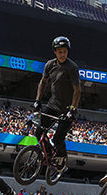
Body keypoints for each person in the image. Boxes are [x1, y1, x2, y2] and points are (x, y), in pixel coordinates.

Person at [31, 36, 81, 169]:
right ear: (54, 52)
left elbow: (77, 90)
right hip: (53, 105)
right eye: (60, 52)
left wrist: (72, 109)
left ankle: (62, 157)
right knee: (39, 131)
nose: (62, 54)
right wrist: (37, 101)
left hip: (67, 109)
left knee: (58, 139)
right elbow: (43, 82)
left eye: (65, 51)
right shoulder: (50, 65)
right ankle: (48, 154)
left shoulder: (72, 67)